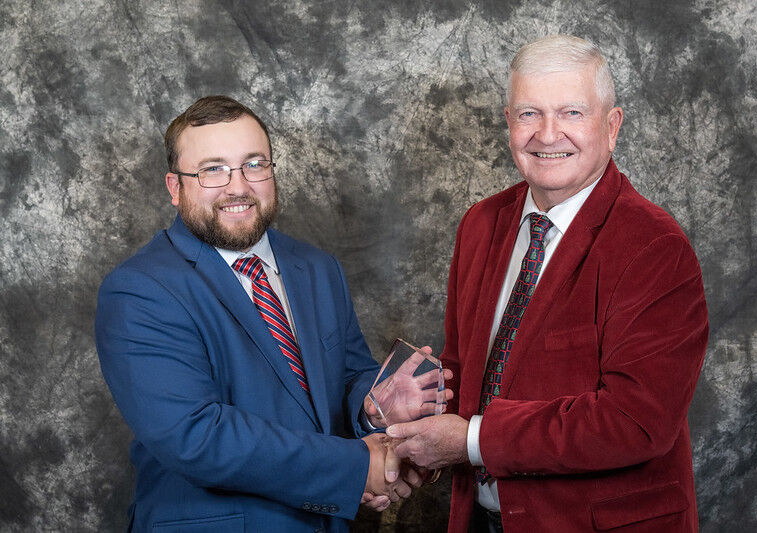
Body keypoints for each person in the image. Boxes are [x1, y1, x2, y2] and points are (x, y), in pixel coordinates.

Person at [386, 35, 709, 532]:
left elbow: (635, 421)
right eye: (529, 114)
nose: (548, 133)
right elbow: (468, 371)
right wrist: (417, 406)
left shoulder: (653, 246)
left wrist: (471, 440)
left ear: (613, 125)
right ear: (509, 124)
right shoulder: (481, 223)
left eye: (572, 113)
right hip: (482, 519)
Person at [95, 95, 424, 532]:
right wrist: (356, 465)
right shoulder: (140, 290)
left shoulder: (318, 268)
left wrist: (375, 407)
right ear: (175, 188)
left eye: (254, 164)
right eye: (213, 169)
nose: (238, 186)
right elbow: (197, 437)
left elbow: (347, 376)